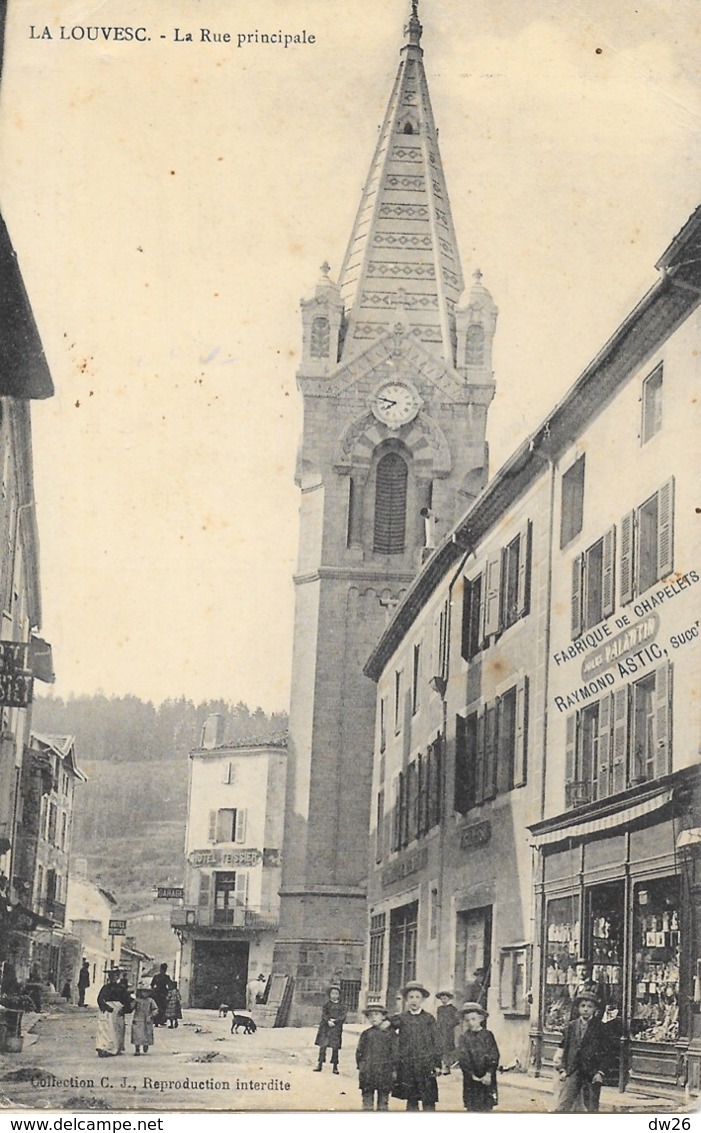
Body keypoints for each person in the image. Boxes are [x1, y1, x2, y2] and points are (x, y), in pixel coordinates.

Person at [392, 980, 441, 1111]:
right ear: (406, 999)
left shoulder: (429, 1019)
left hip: (426, 1065)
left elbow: (436, 1042)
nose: (414, 1000)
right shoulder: (402, 1018)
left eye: (417, 997)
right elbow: (387, 1029)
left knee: (428, 1101)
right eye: (411, 997)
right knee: (411, 1100)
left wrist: (437, 1064)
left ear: (423, 999)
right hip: (408, 1066)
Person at [555, 990, 607, 1112]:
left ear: (595, 1009)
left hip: (592, 1073)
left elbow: (606, 1052)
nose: (585, 1009)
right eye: (582, 1006)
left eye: (589, 1006)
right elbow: (566, 1049)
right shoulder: (571, 1026)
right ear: (578, 1008)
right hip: (574, 1070)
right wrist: (563, 1069)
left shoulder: (600, 1027)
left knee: (591, 1107)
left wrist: (600, 1072)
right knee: (563, 1104)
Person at [456, 1001, 500, 1111]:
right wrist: (470, 1074)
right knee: (472, 1107)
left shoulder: (488, 1035)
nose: (470, 1023)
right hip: (471, 1080)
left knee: (486, 1107)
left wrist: (489, 1073)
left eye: (473, 1019)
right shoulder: (464, 1038)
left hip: (487, 1078)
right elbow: (463, 1058)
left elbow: (494, 1054)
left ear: (481, 1019)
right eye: (467, 1020)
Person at [356, 1001, 396, 1111]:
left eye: (377, 1014)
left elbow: (395, 1053)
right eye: (370, 1015)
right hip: (368, 1073)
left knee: (383, 1103)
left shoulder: (391, 1034)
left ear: (383, 1016)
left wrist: (394, 1070)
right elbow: (359, 1052)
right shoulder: (366, 1034)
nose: (373, 1017)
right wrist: (362, 1067)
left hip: (385, 1073)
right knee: (367, 1102)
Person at [96, 970, 133, 1058]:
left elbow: (127, 1000)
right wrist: (105, 1006)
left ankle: (114, 1048)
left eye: (116, 976)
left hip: (117, 1010)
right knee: (104, 1028)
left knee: (117, 1029)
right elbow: (100, 999)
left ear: (118, 977)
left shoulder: (121, 988)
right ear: (109, 977)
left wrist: (124, 1009)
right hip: (108, 1009)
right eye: (111, 976)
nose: (113, 978)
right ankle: (103, 1047)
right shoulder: (105, 987)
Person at [314, 982, 347, 1074]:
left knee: (335, 1048)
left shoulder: (342, 1006)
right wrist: (328, 1021)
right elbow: (324, 1015)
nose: (334, 995)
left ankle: (335, 1066)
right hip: (325, 1028)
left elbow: (343, 1016)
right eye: (332, 993)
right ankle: (319, 1064)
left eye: (336, 993)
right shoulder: (327, 1005)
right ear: (329, 994)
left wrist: (335, 1021)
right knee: (323, 1046)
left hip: (336, 1029)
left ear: (339, 995)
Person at [435, 991, 460, 1074]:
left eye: (445, 998)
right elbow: (438, 1020)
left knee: (448, 1048)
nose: (443, 1000)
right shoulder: (440, 1009)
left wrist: (449, 1024)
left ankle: (447, 1066)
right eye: (442, 999)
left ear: (448, 999)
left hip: (449, 1032)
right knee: (440, 1048)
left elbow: (457, 1020)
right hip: (440, 1031)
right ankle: (441, 1066)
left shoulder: (452, 1009)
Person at [131, 985, 158, 1055]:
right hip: (138, 1019)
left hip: (147, 1019)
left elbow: (155, 1009)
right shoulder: (137, 1000)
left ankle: (146, 1044)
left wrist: (152, 1014)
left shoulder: (150, 1001)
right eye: (143, 991)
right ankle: (137, 1049)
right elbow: (131, 1007)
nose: (144, 993)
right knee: (137, 1034)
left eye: (146, 992)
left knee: (147, 1034)